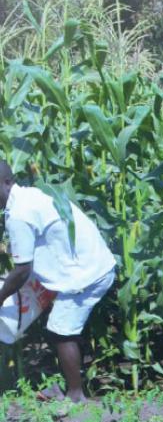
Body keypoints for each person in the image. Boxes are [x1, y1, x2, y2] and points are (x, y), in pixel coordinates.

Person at [0, 161, 115, 403]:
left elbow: (22, 271)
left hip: (86, 273)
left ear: (7, 182)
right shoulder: (29, 196)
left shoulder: (19, 215)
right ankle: (70, 387)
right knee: (63, 326)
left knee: (61, 331)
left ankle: (75, 396)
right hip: (89, 261)